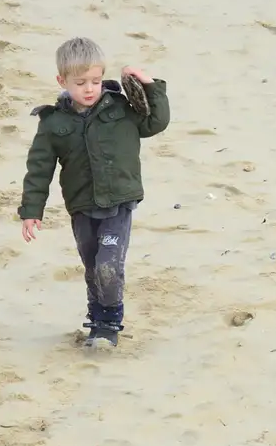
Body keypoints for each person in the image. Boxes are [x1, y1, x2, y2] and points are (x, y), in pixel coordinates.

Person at [17, 37, 171, 347]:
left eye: (96, 81)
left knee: (108, 265)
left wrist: (149, 86)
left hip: (119, 204)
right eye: (81, 82)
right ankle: (96, 318)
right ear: (62, 81)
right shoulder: (53, 123)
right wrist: (32, 211)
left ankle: (110, 322)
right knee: (92, 266)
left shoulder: (121, 108)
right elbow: (39, 169)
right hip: (82, 207)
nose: (90, 89)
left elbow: (157, 121)